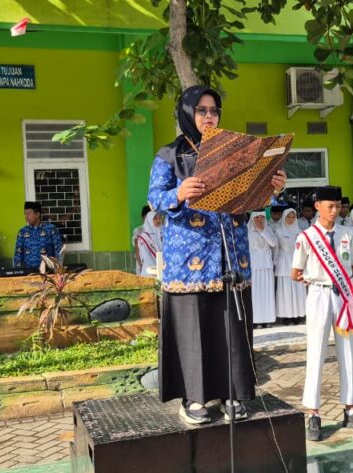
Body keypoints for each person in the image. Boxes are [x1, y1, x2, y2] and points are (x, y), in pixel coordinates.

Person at [147, 85, 288, 424]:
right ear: (187, 114)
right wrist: (179, 193)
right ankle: (194, 398)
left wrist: (271, 188)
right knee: (194, 330)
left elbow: (251, 198)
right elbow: (154, 199)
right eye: (202, 110)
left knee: (230, 328)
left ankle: (232, 393)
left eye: (214, 110)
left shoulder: (233, 150)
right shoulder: (171, 155)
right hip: (190, 261)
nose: (209, 117)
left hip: (230, 254)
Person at [291, 185, 353, 442]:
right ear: (317, 206)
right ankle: (313, 413)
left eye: (338, 206)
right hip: (318, 296)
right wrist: (316, 280)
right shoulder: (306, 237)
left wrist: (338, 281)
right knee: (316, 352)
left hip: (342, 296)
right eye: (330, 206)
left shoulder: (346, 233)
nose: (334, 211)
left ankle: (350, 410)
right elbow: (295, 273)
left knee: (347, 351)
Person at [276, 208, 307, 325]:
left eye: (293, 217)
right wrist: (275, 262)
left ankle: (299, 315)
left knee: (298, 290)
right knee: (286, 291)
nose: (290, 219)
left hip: (298, 262)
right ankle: (287, 317)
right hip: (284, 263)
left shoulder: (301, 232)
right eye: (288, 217)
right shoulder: (278, 231)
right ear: (284, 218)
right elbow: (275, 249)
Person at [14, 201, 64, 271]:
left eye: (28, 213)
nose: (26, 217)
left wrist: (57, 269)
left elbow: (58, 251)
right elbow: (18, 254)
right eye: (25, 214)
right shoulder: (22, 232)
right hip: (28, 272)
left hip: (48, 272)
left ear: (37, 214)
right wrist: (17, 272)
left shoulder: (51, 229)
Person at [248, 211, 277, 329]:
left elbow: (273, 243)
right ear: (252, 219)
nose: (259, 220)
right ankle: (256, 320)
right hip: (254, 266)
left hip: (266, 266)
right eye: (257, 218)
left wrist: (262, 230)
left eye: (262, 217)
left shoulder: (267, 229)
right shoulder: (247, 231)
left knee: (267, 293)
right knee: (256, 295)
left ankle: (268, 319)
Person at [134, 211, 163, 276]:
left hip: (162, 269)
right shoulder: (143, 237)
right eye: (155, 218)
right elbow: (141, 255)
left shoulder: (163, 234)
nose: (158, 221)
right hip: (149, 270)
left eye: (160, 218)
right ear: (149, 220)